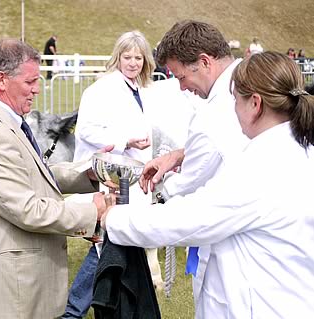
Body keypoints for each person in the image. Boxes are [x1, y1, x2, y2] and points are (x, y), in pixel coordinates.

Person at [102, 51, 314, 318]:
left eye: (236, 100)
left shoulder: (262, 167)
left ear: (255, 104)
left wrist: (114, 219)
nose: (235, 110)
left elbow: (189, 219)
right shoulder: (300, 149)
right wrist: (181, 154)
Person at [0, 39, 108, 319]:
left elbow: (35, 174)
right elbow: (26, 209)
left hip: (22, 288)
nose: (37, 88)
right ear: (1, 80)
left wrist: (88, 174)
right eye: (30, 81)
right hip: (9, 295)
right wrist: (91, 211)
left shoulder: (1, 119)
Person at [138, 20, 249, 306]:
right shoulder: (249, 83)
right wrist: (178, 154)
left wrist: (155, 191)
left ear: (204, 62)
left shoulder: (215, 112)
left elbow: (187, 185)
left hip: (238, 257)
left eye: (180, 76)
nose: (182, 87)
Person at [62, 30, 156, 319]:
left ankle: (112, 305)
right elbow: (87, 129)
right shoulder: (102, 89)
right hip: (113, 179)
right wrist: (127, 139)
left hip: (132, 179)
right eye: (127, 57)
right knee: (108, 244)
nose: (133, 62)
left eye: (138, 57)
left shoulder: (138, 89)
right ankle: (72, 311)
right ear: (117, 56)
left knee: (119, 243)